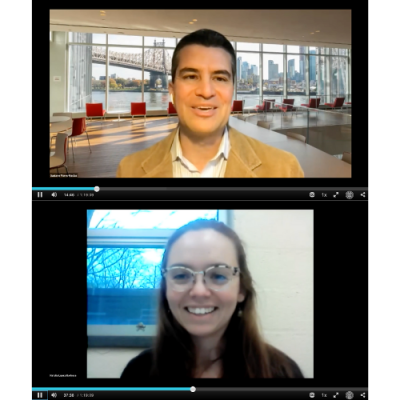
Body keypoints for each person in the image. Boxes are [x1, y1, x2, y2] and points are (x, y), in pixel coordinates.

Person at [121, 219, 304, 379]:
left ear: (241, 289)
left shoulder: (281, 373)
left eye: (218, 276)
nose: (199, 291)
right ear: (166, 290)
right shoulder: (139, 372)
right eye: (181, 276)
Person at [116, 29, 304, 177]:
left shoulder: (285, 170)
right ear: (172, 92)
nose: (206, 91)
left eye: (220, 78)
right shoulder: (130, 171)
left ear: (232, 91)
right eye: (191, 76)